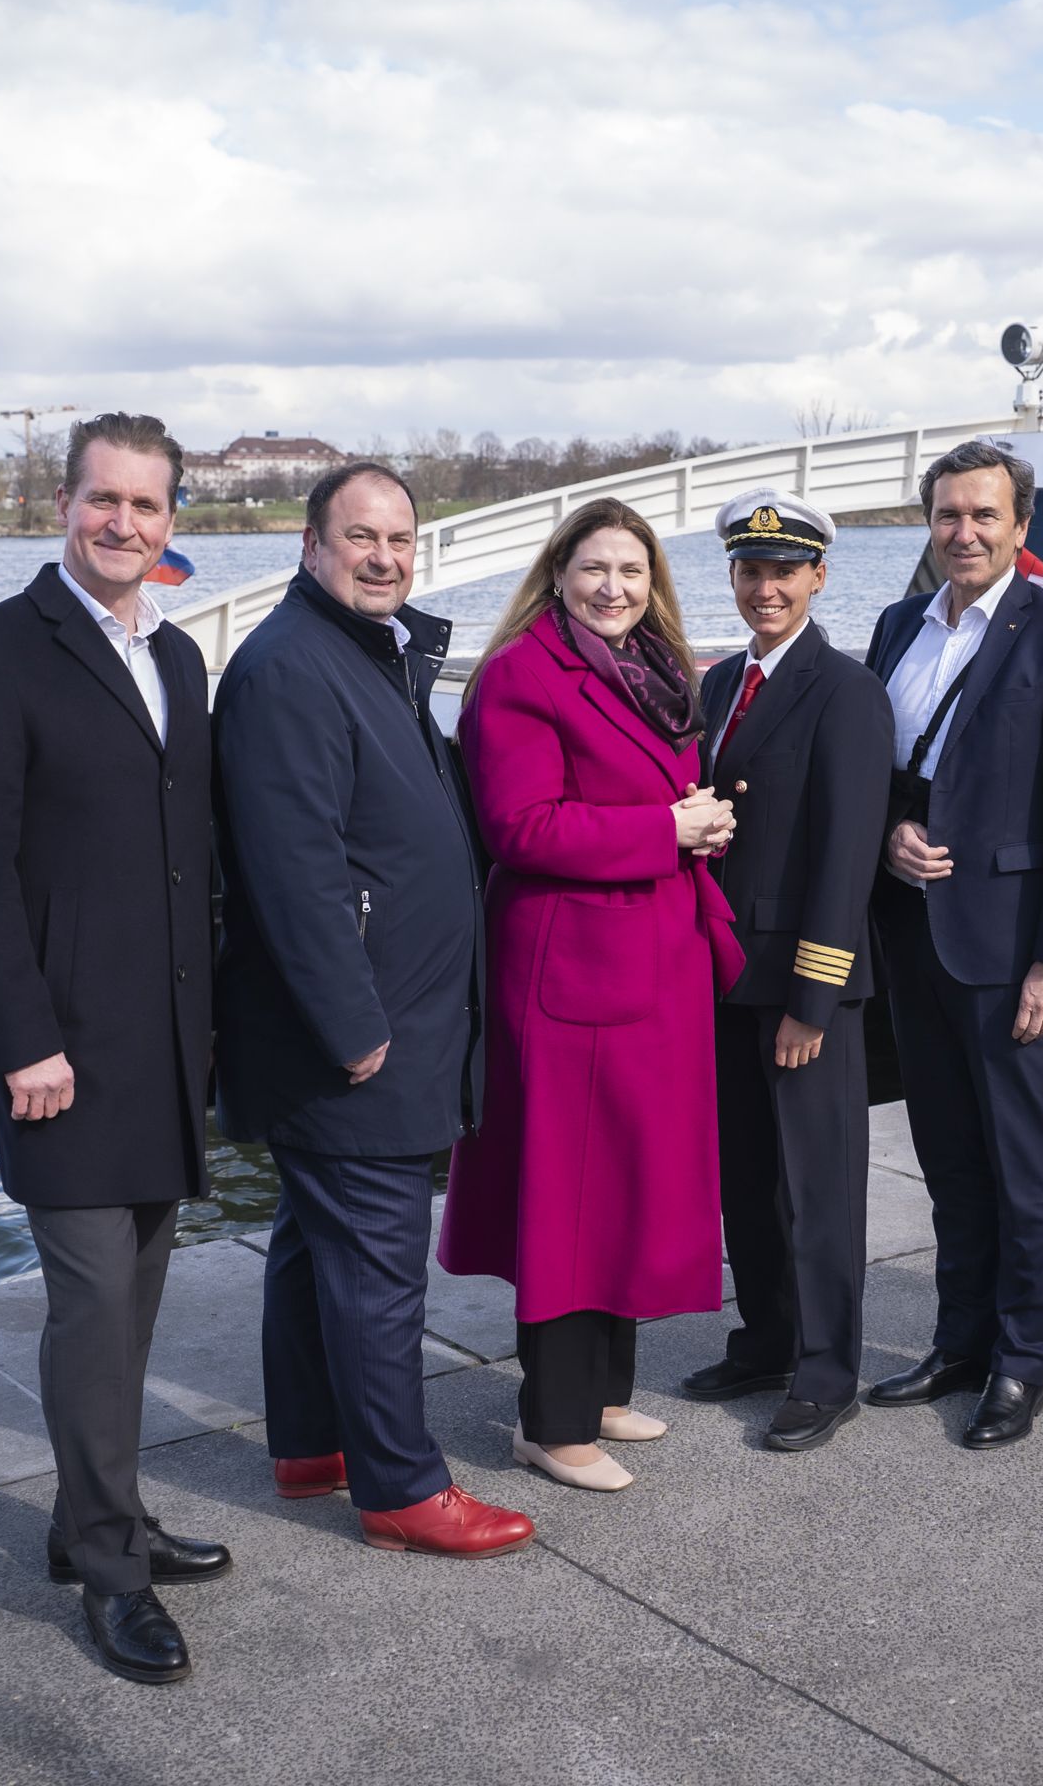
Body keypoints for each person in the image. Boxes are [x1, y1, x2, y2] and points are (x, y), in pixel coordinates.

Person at [0, 413, 229, 1687]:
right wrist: (22, 1041)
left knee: (134, 1299)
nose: (123, 523)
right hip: (61, 1051)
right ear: (63, 503)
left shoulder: (180, 658)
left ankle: (98, 1513)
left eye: (146, 505)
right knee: (94, 1301)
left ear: (171, 521)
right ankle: (109, 1568)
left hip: (165, 1042)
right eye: (104, 499)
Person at [210, 459, 535, 1558]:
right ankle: (402, 1485)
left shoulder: (364, 651)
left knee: (315, 1244)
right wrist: (351, 1026)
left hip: (385, 1016)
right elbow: (292, 872)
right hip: (357, 1033)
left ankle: (311, 1443)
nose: (385, 557)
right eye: (361, 537)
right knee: (380, 1262)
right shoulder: (292, 668)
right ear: (311, 546)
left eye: (400, 539)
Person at [438, 498, 745, 1491]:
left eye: (632, 570)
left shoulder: (651, 667)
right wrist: (669, 830)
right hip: (570, 972)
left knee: (627, 1180)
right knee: (570, 1195)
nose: (614, 588)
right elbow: (521, 826)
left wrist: (694, 823)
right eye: (595, 569)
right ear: (558, 573)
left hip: (652, 960)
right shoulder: (520, 674)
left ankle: (604, 1392)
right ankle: (551, 1423)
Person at [864, 440, 1043, 1449]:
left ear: (1021, 524)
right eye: (947, 514)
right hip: (911, 931)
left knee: (1024, 1163)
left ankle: (1021, 1359)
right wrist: (889, 830)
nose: (963, 532)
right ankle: (959, 1341)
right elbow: (876, 767)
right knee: (947, 1154)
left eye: (983, 515)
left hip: (1011, 945)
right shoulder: (898, 625)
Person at [679, 489, 895, 1453]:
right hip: (729, 975)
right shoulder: (723, 684)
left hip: (805, 985)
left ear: (819, 577)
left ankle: (826, 1370)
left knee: (818, 1187)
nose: (765, 588)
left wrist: (814, 996)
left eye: (784, 572)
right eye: (750, 570)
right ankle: (765, 1340)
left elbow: (846, 857)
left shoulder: (845, 691)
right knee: (749, 1181)